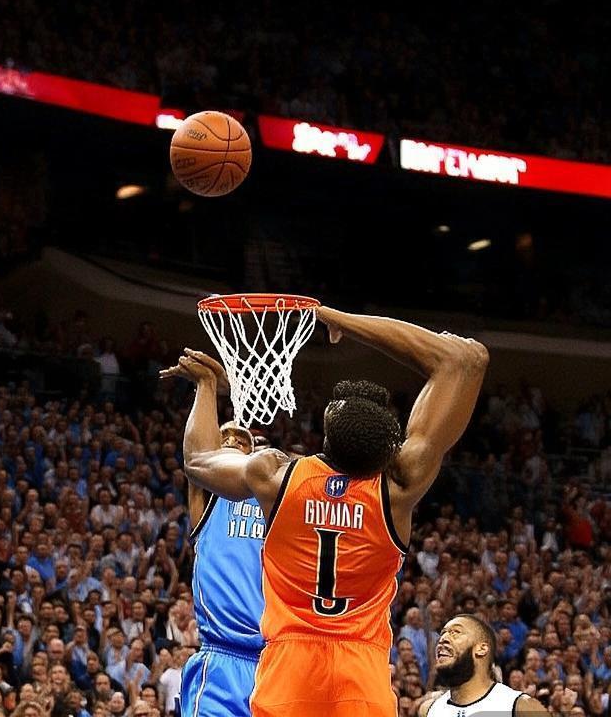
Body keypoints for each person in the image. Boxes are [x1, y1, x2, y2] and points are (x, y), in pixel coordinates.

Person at [174, 303, 489, 717]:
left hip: (289, 672)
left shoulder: (276, 476)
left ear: (325, 436)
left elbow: (197, 459)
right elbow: (466, 359)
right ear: (387, 453)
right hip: (360, 675)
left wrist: (205, 386)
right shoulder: (396, 489)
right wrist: (343, 321)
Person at [163, 352, 269, 717]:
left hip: (275, 661)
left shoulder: (275, 499)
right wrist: (206, 387)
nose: (233, 443)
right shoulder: (208, 498)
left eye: (242, 441)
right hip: (222, 657)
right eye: (225, 438)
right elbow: (197, 458)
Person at [420, 614, 548, 716]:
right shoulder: (429, 709)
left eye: (456, 632)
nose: (442, 639)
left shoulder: (520, 706)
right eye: (443, 633)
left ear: (481, 649)